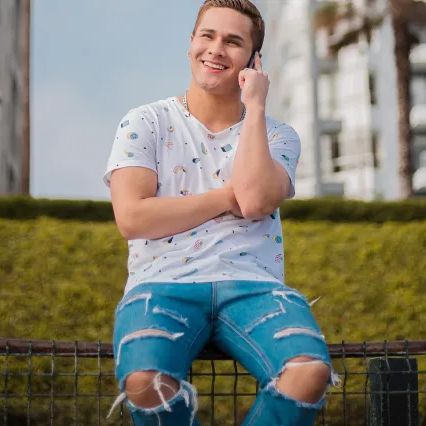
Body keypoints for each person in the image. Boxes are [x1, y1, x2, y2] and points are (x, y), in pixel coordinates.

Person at [103, 1, 338, 424]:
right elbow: (133, 218)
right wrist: (224, 197)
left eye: (233, 42)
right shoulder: (144, 122)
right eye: (207, 36)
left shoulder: (278, 135)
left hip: (254, 284)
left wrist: (257, 106)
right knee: (144, 379)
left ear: (254, 59)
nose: (216, 49)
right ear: (191, 43)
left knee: (308, 371)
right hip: (161, 282)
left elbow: (255, 200)